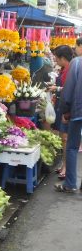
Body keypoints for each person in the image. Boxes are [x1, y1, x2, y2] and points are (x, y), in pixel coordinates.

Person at [55, 51, 82, 192]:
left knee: (72, 147)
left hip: (78, 111)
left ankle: (70, 184)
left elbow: (68, 90)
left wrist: (65, 111)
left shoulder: (76, 62)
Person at [49, 46, 74, 179]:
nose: (55, 60)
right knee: (62, 138)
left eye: (56, 58)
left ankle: (66, 167)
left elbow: (70, 90)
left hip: (66, 108)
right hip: (60, 104)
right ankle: (64, 165)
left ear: (63, 58)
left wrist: (57, 88)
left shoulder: (70, 70)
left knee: (65, 139)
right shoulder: (65, 69)